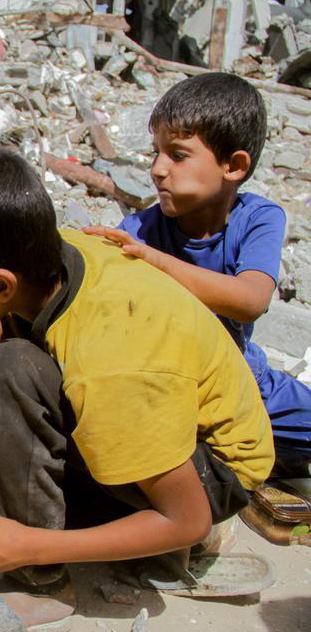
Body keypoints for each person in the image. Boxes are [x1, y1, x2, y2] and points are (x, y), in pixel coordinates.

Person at [0, 146, 273, 632]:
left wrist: (32, 544)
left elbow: (187, 516)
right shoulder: (56, 255)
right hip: (166, 424)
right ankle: (149, 538)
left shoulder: (111, 363)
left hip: (212, 475)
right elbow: (25, 323)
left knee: (7, 378)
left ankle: (38, 589)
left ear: (1, 283)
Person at [84, 72, 310, 478]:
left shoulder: (258, 218)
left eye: (178, 154)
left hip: (239, 379)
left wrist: (157, 263)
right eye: (155, 152)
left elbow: (251, 301)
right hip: (169, 384)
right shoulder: (141, 230)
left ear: (233, 165)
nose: (157, 169)